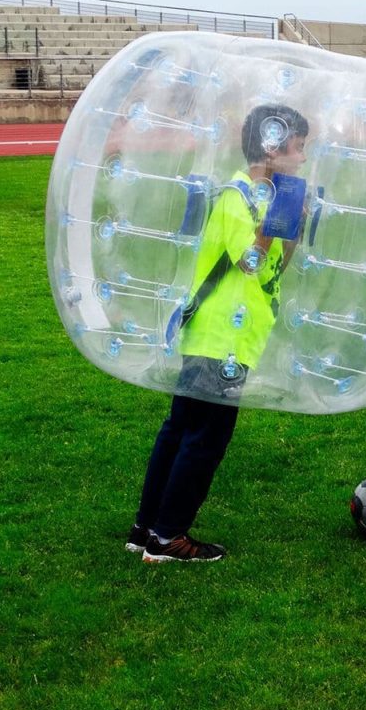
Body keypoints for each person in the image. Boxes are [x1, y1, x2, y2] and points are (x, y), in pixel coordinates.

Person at [126, 103, 310, 562]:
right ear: (273, 146)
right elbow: (248, 261)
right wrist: (269, 227)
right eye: (299, 147)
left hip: (226, 338)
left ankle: (146, 529)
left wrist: (292, 231)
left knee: (181, 430)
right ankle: (168, 538)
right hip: (220, 341)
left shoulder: (261, 199)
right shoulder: (238, 197)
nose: (303, 158)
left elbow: (268, 272)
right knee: (204, 439)